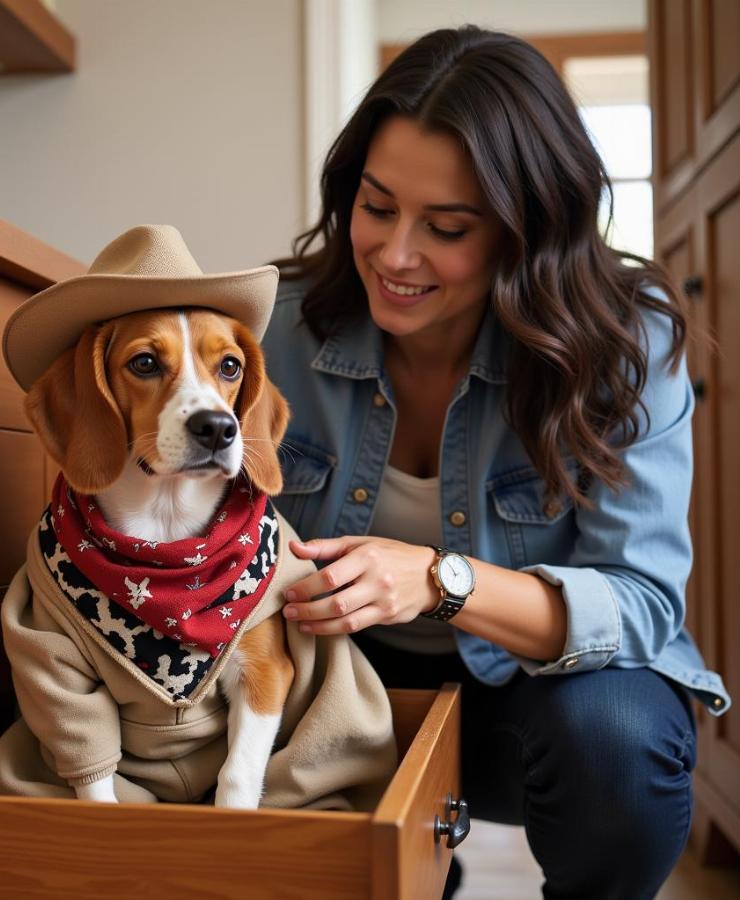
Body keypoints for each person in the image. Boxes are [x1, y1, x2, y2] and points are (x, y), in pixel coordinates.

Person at [261, 25, 730, 900]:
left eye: (446, 228)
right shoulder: (271, 330)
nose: (396, 255)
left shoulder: (625, 348)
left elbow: (640, 606)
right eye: (375, 206)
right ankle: (409, 860)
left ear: (528, 231)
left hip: (528, 707)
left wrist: (444, 580)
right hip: (328, 695)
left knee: (620, 738)